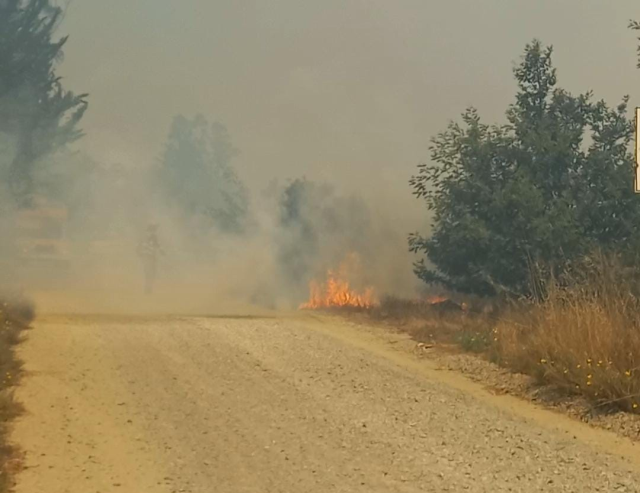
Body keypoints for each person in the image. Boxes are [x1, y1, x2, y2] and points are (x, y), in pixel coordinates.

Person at [137, 224, 164, 294]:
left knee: (152, 273)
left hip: (152, 257)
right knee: (148, 273)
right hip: (147, 257)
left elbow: (158, 245)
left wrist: (161, 251)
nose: (155, 232)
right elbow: (138, 248)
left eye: (155, 230)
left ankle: (148, 289)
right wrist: (141, 255)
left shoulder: (154, 237)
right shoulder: (144, 238)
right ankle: (147, 289)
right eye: (154, 230)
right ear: (150, 230)